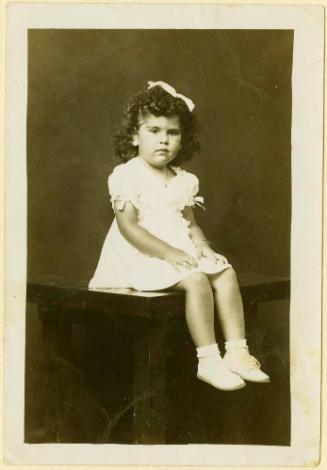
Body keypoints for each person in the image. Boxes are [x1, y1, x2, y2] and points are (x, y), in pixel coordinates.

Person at [89, 80, 270, 391]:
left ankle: (237, 352)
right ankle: (208, 359)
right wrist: (169, 253)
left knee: (225, 273)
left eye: (172, 133)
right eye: (154, 131)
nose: (164, 140)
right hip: (139, 254)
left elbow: (189, 222)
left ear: (183, 139)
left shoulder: (185, 180)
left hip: (179, 249)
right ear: (135, 136)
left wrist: (202, 246)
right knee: (197, 281)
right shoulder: (126, 175)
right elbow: (128, 227)